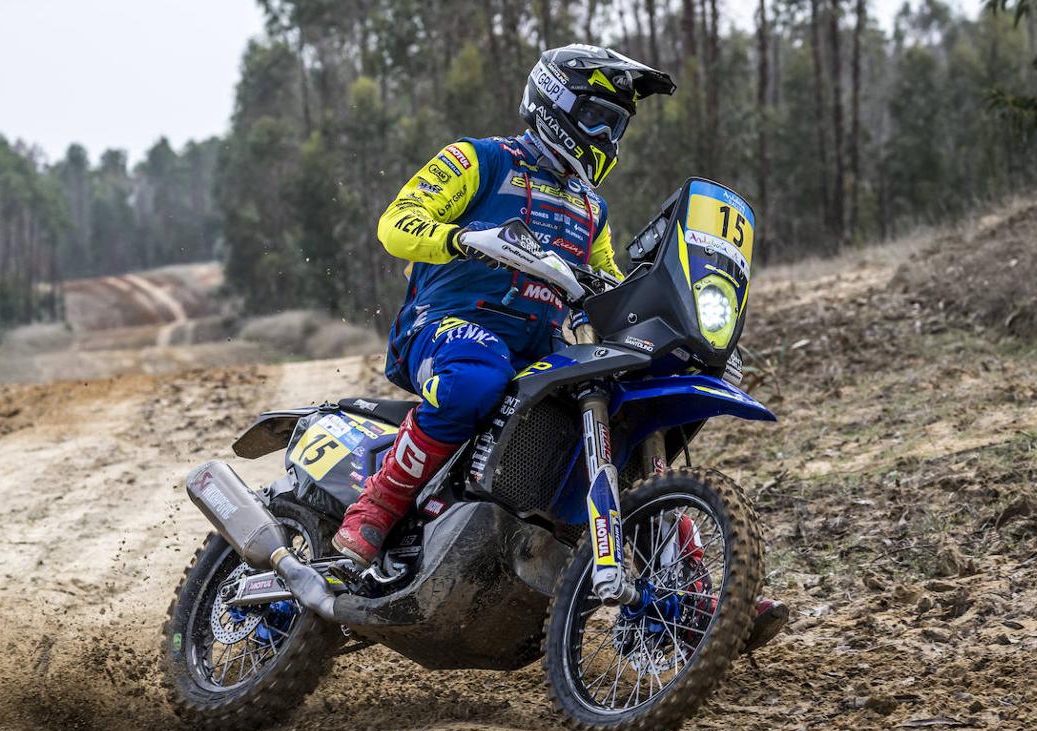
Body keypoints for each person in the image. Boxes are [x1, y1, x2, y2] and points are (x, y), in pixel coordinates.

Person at [332, 44, 788, 652]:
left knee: (629, 418)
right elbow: (397, 224)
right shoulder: (479, 160)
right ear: (556, 105)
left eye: (617, 126)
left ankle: (697, 594)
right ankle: (374, 511)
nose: (609, 137)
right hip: (450, 324)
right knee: (473, 379)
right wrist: (468, 237)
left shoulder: (590, 208)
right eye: (600, 119)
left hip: (538, 349)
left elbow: (603, 290)